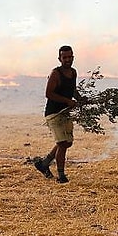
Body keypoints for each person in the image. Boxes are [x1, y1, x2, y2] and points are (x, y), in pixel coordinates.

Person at [34, 45, 80, 184]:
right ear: (59, 58)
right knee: (62, 143)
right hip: (54, 113)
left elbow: (72, 89)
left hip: (65, 112)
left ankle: (44, 163)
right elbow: (49, 94)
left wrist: (80, 99)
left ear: (73, 57)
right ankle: (61, 176)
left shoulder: (73, 72)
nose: (67, 59)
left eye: (69, 57)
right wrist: (67, 101)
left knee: (67, 143)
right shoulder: (55, 73)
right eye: (64, 57)